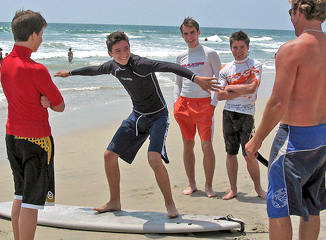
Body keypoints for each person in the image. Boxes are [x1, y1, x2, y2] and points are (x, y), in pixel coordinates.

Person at [54, 31, 219, 218]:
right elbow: (94, 70)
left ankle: (170, 203)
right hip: (137, 117)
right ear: (110, 54)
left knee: (154, 158)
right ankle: (115, 201)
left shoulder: (141, 64)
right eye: (118, 51)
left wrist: (195, 78)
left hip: (158, 117)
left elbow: (170, 66)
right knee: (109, 155)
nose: (123, 54)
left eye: (126, 48)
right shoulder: (112, 67)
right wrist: (70, 73)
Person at [246, 1, 326, 239]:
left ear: (299, 11)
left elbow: (277, 103)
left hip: (294, 139)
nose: (291, 18)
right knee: (310, 203)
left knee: (277, 206)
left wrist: (256, 140)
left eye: (291, 12)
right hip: (322, 138)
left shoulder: (292, 48)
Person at [0, 10, 65, 240]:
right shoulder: (36, 69)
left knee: (19, 195)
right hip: (36, 140)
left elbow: (21, 94)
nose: (42, 39)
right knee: (31, 202)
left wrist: (41, 99)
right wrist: (46, 102)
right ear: (34, 35)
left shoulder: (5, 63)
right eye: (42, 34)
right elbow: (59, 105)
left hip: (12, 137)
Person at [216, 30, 267, 200]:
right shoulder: (226, 68)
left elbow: (253, 88)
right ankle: (233, 189)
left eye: (242, 47)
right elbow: (219, 95)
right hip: (229, 113)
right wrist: (241, 88)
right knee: (231, 153)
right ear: (230, 48)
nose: (239, 51)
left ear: (248, 47)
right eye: (235, 47)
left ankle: (259, 188)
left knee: (249, 153)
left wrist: (231, 88)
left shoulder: (255, 65)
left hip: (246, 114)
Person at [174, 17, 221, 197]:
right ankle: (192, 184)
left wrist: (213, 103)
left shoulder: (210, 53)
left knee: (206, 146)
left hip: (204, 105)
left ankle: (208, 186)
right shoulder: (180, 57)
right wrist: (176, 103)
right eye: (185, 33)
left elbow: (220, 79)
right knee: (188, 144)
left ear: (198, 32)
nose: (189, 37)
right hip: (184, 105)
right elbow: (177, 82)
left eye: (192, 32)